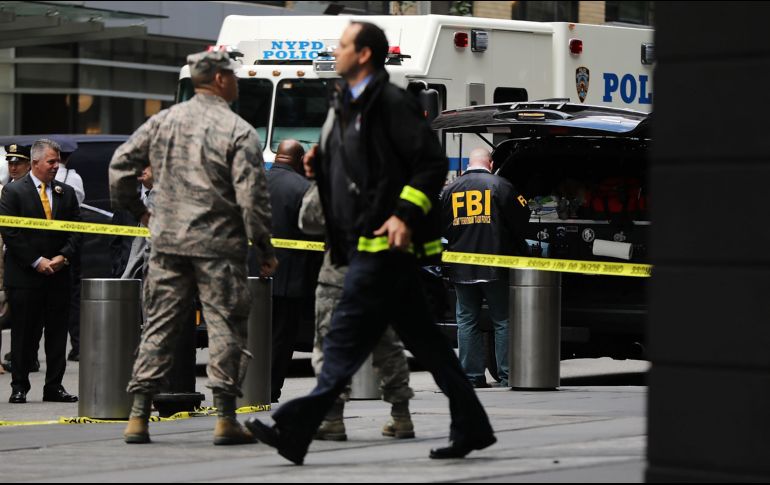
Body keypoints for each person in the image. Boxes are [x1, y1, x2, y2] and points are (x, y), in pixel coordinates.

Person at [245, 21, 496, 465]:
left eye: (343, 45)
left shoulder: (389, 103)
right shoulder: (346, 103)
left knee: (341, 342)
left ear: (363, 55)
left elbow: (430, 164)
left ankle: (294, 429)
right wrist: (319, 167)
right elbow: (358, 168)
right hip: (362, 246)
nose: (336, 51)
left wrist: (403, 215)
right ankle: (472, 425)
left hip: (381, 246)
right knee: (431, 347)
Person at [109, 50, 277, 446]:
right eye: (233, 77)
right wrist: (265, 248)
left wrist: (143, 213)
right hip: (219, 247)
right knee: (224, 328)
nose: (237, 82)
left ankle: (138, 416)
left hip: (167, 245)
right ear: (219, 80)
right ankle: (224, 419)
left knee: (159, 325)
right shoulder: (238, 130)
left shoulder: (163, 122)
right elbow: (253, 198)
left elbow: (119, 167)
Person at [298, 182, 415, 442]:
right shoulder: (390, 171)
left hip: (339, 273)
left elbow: (307, 221)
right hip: (380, 271)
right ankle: (401, 415)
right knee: (387, 343)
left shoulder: (334, 170)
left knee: (330, 344)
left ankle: (332, 419)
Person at [440, 148, 531, 388]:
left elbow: (439, 226)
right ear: (490, 164)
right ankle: (508, 376)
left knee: (467, 320)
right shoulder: (501, 186)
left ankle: (472, 376)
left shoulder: (450, 189)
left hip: (461, 267)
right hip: (495, 266)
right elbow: (523, 218)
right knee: (503, 319)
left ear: (469, 164)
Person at [0, 139, 81, 404]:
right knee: (24, 334)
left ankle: (54, 386)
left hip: (58, 275)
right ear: (35, 163)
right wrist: (37, 261)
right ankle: (19, 385)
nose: (56, 166)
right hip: (25, 276)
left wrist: (63, 257)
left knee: (57, 335)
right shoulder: (13, 193)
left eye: (57, 161)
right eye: (51, 162)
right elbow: (11, 233)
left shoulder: (65, 193)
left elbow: (76, 230)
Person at [258, 139, 322, 403]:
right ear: (298, 160)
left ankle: (248, 386)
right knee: (281, 338)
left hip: (251, 273)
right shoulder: (303, 188)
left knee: (253, 333)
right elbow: (314, 230)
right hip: (290, 278)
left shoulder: (255, 183)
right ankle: (270, 389)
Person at [55, 141, 85, 362]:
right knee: (74, 295)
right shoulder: (74, 179)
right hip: (70, 240)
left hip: (50, 241)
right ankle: (77, 344)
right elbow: (79, 204)